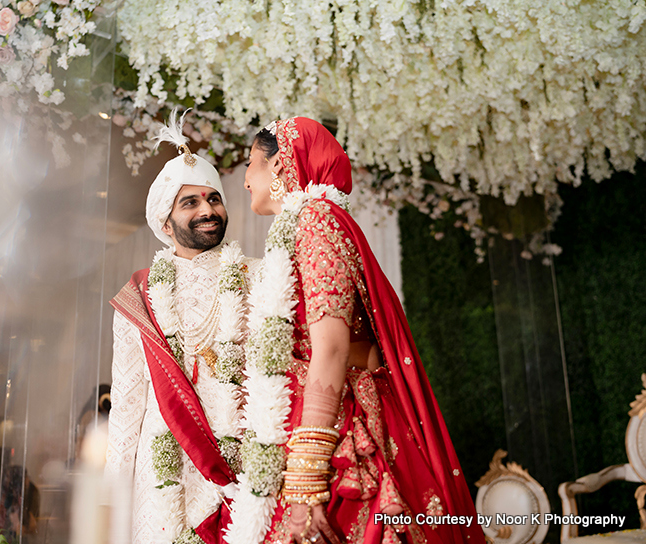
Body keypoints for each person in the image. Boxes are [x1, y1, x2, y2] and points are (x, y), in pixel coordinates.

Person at [227, 118, 485, 544]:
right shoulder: (305, 225)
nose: (244, 181)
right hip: (309, 422)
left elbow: (330, 347)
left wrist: (307, 476)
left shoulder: (315, 222)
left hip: (341, 434)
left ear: (279, 166)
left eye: (251, 164)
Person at [106, 110, 259, 544]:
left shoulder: (260, 277)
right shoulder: (141, 295)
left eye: (213, 198)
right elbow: (128, 402)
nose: (207, 210)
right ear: (164, 221)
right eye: (189, 203)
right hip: (164, 470)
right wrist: (110, 501)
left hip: (243, 459)